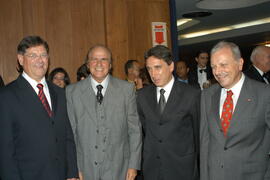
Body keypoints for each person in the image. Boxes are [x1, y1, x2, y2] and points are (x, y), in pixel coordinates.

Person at [0, 36, 78, 180]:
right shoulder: (6, 96)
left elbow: (67, 136)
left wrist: (72, 173)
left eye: (43, 55)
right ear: (21, 59)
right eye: (33, 55)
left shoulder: (60, 93)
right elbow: (5, 150)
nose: (40, 60)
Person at [66, 44, 142, 180]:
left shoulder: (126, 89)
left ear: (111, 64)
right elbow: (71, 134)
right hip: (85, 169)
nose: (99, 64)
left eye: (104, 59)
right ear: (88, 64)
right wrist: (75, 168)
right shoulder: (72, 92)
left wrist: (133, 165)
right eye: (94, 59)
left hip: (120, 169)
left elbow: (135, 130)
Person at [200, 41, 270, 180]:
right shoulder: (207, 95)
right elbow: (205, 143)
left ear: (240, 63)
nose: (217, 72)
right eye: (213, 67)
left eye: (223, 65)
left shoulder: (264, 93)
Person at [137, 45, 200, 180]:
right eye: (149, 69)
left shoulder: (191, 94)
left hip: (182, 169)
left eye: (158, 67)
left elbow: (198, 135)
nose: (153, 74)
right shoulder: (141, 96)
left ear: (171, 66)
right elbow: (144, 131)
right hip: (151, 169)